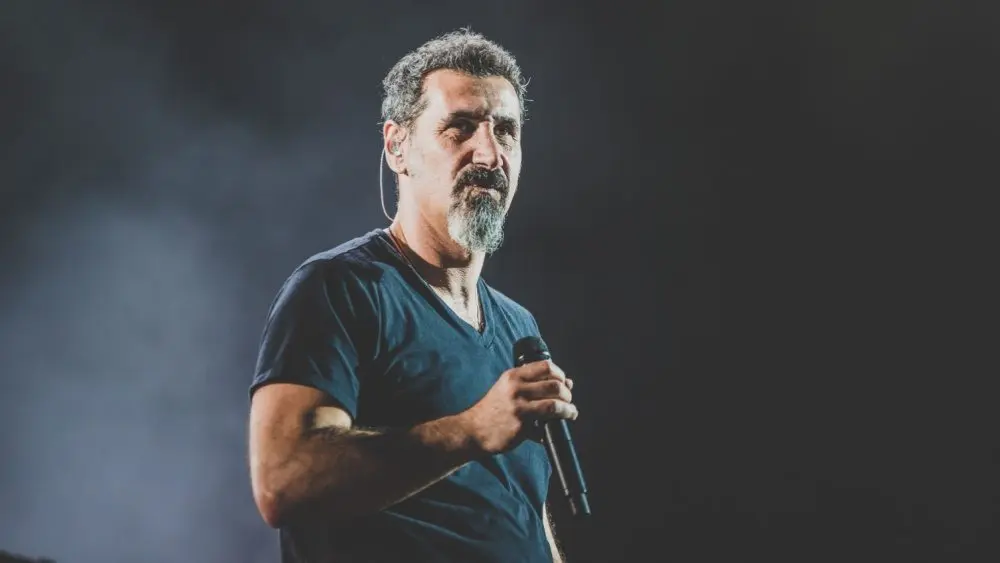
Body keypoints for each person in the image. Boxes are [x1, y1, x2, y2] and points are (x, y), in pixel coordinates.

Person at [247, 30, 579, 563]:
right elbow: (284, 480)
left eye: (507, 131)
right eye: (461, 127)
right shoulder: (339, 290)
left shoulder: (519, 327)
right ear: (397, 146)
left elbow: (524, 513)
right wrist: (472, 429)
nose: (489, 153)